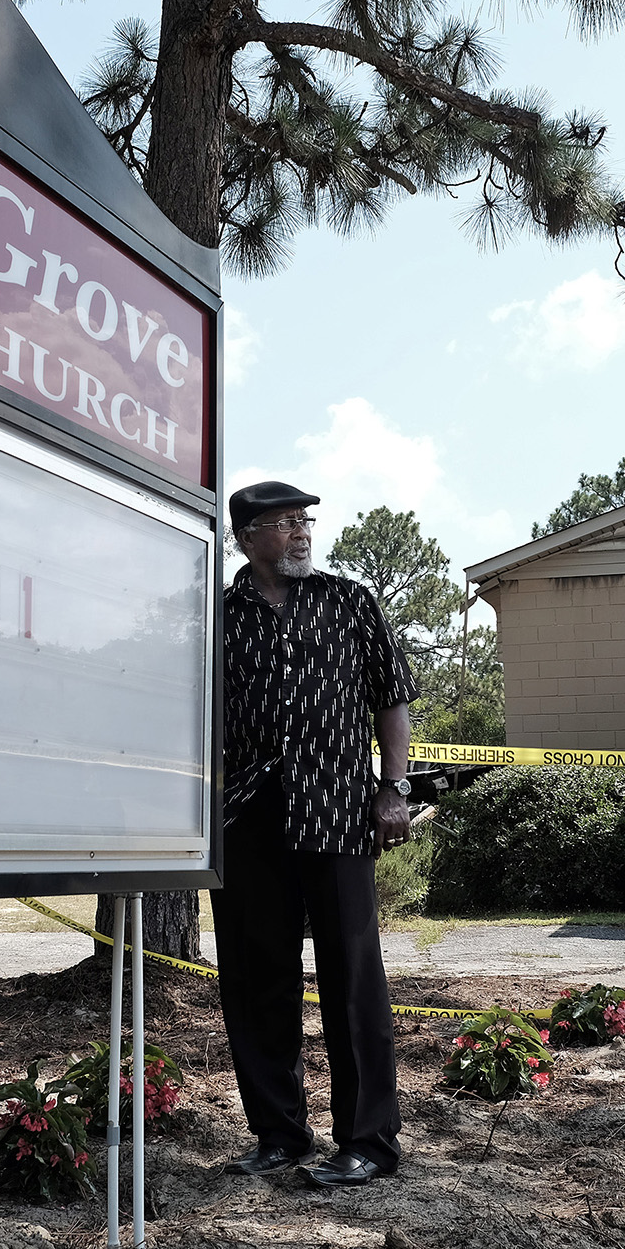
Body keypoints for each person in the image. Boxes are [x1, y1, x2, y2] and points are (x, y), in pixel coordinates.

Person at [215, 479, 418, 1190]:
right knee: (257, 976)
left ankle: (368, 1141)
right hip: (247, 814)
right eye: (283, 522)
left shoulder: (349, 601)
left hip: (336, 809)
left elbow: (391, 697)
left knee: (352, 978)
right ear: (247, 537)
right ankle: (278, 1132)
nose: (300, 531)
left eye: (304, 520)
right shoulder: (218, 616)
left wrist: (393, 787)